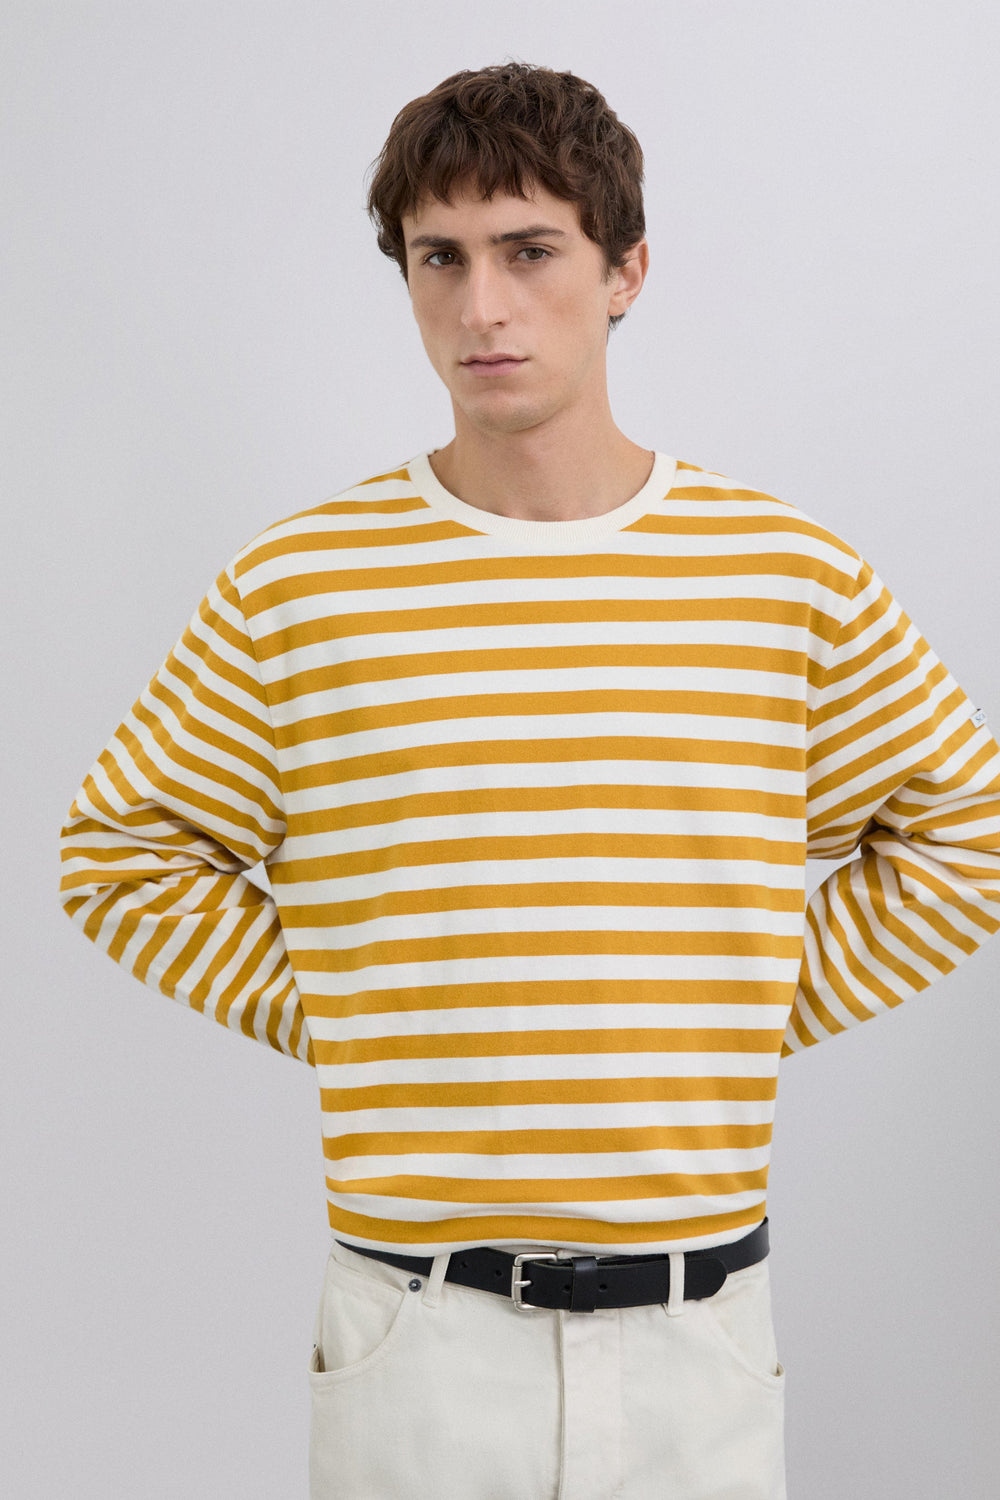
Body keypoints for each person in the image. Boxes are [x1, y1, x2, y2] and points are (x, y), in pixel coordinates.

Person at [58, 62, 1000, 1500]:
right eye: (438, 258)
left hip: (697, 1333)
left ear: (626, 271)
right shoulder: (300, 585)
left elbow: (965, 834)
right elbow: (121, 853)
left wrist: (733, 1011)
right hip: (418, 1333)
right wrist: (364, 1019)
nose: (481, 307)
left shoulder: (781, 575)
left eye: (529, 250)